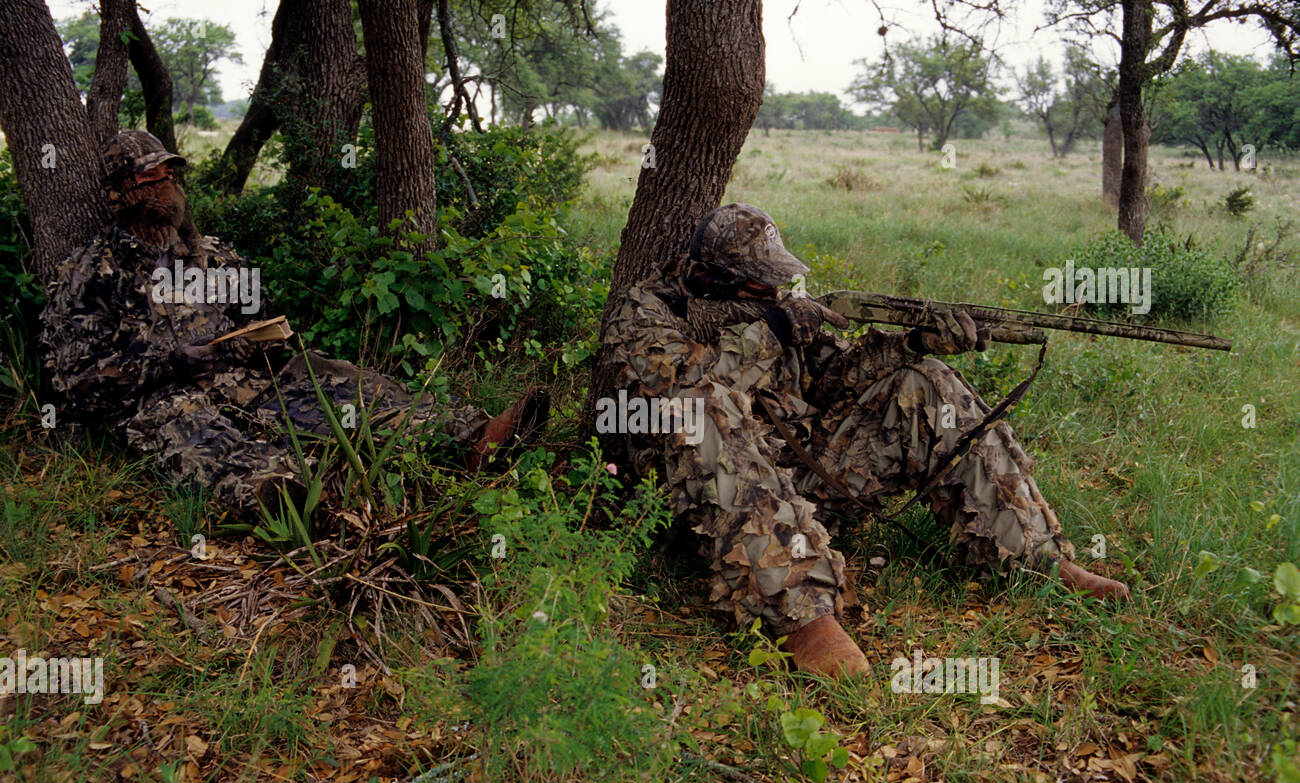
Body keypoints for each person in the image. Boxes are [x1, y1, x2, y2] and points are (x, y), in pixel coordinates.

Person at [598, 203, 1129, 678]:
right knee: (706, 411)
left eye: (776, 285)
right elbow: (677, 389)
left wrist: (913, 344)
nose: (775, 295)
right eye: (761, 287)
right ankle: (803, 616)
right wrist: (774, 330)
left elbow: (837, 379)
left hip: (798, 486)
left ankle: (1036, 558)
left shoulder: (777, 308)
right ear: (715, 276)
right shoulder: (645, 310)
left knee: (927, 382)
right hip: (700, 502)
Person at [42, 130, 546, 515]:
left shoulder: (213, 256)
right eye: (154, 177)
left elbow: (258, 321)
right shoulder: (92, 271)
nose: (169, 186)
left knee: (341, 383)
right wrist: (166, 363)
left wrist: (255, 341)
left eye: (171, 174)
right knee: (208, 445)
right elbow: (76, 381)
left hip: (250, 380)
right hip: (165, 402)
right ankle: (300, 504)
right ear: (122, 192)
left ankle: (472, 438)